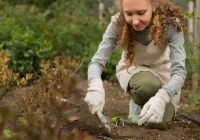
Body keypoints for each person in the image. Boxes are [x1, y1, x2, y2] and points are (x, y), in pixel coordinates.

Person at [84, 0, 187, 130]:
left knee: (158, 123)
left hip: (163, 69)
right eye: (129, 14)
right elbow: (97, 61)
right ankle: (138, 102)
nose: (135, 21)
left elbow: (179, 71)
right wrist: (95, 85)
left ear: (154, 5)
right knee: (147, 86)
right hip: (134, 68)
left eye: (141, 13)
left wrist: (162, 97)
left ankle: (153, 102)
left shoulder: (170, 23)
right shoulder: (118, 23)